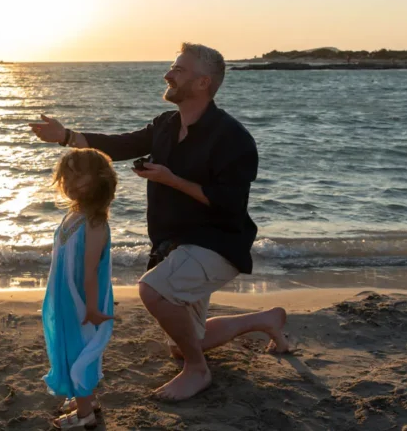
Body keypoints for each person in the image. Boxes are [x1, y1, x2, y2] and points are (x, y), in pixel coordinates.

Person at [31, 43, 290, 403]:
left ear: (203, 83)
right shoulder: (166, 125)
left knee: (153, 290)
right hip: (176, 247)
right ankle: (264, 319)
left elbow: (229, 203)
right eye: (172, 66)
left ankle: (198, 371)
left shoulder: (233, 138)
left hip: (219, 244)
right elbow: (121, 145)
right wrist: (65, 137)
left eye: (178, 70)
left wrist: (172, 180)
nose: (168, 74)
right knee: (185, 344)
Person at [42, 149, 116, 430]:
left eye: (79, 176)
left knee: (80, 352)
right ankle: (88, 401)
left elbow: (90, 272)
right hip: (64, 298)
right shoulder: (73, 215)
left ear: (99, 180)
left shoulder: (95, 223)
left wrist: (93, 308)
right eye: (66, 177)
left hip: (83, 302)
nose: (71, 183)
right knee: (69, 347)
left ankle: (85, 416)